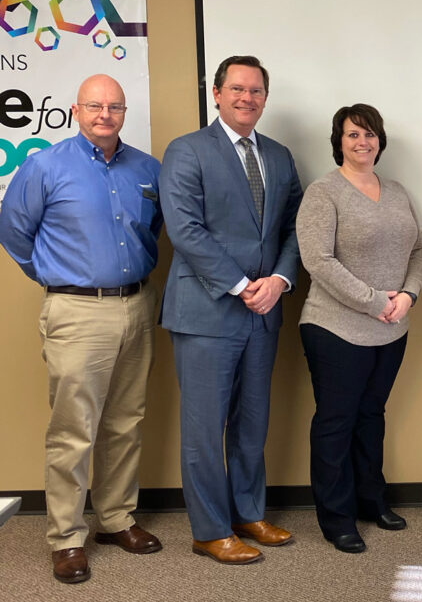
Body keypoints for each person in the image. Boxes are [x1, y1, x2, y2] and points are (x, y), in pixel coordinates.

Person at [0, 75, 163, 584]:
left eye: (114, 106)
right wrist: (60, 278)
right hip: (76, 312)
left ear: (124, 112)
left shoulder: (147, 168)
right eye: (95, 105)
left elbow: (153, 229)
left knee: (124, 421)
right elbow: (14, 232)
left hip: (137, 306)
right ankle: (67, 538)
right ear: (76, 109)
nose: (105, 114)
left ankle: (115, 518)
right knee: (73, 432)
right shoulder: (44, 166)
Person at [159, 55, 303, 565]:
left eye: (257, 90)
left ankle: (248, 513)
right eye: (237, 89)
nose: (247, 98)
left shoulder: (281, 156)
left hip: (264, 313)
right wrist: (243, 285)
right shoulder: (187, 151)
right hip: (205, 313)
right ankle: (210, 530)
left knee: (251, 423)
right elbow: (185, 231)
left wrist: (281, 281)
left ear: (266, 97)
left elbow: (293, 228)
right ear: (216, 93)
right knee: (204, 428)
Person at [297, 104, 422, 554]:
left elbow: (418, 250)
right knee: (336, 421)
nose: (362, 142)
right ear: (340, 141)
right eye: (353, 135)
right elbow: (318, 261)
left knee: (372, 416)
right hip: (335, 328)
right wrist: (375, 301)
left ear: (379, 140)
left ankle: (373, 500)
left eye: (369, 134)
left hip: (392, 327)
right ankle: (337, 517)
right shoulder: (323, 192)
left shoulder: (395, 191)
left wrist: (407, 296)